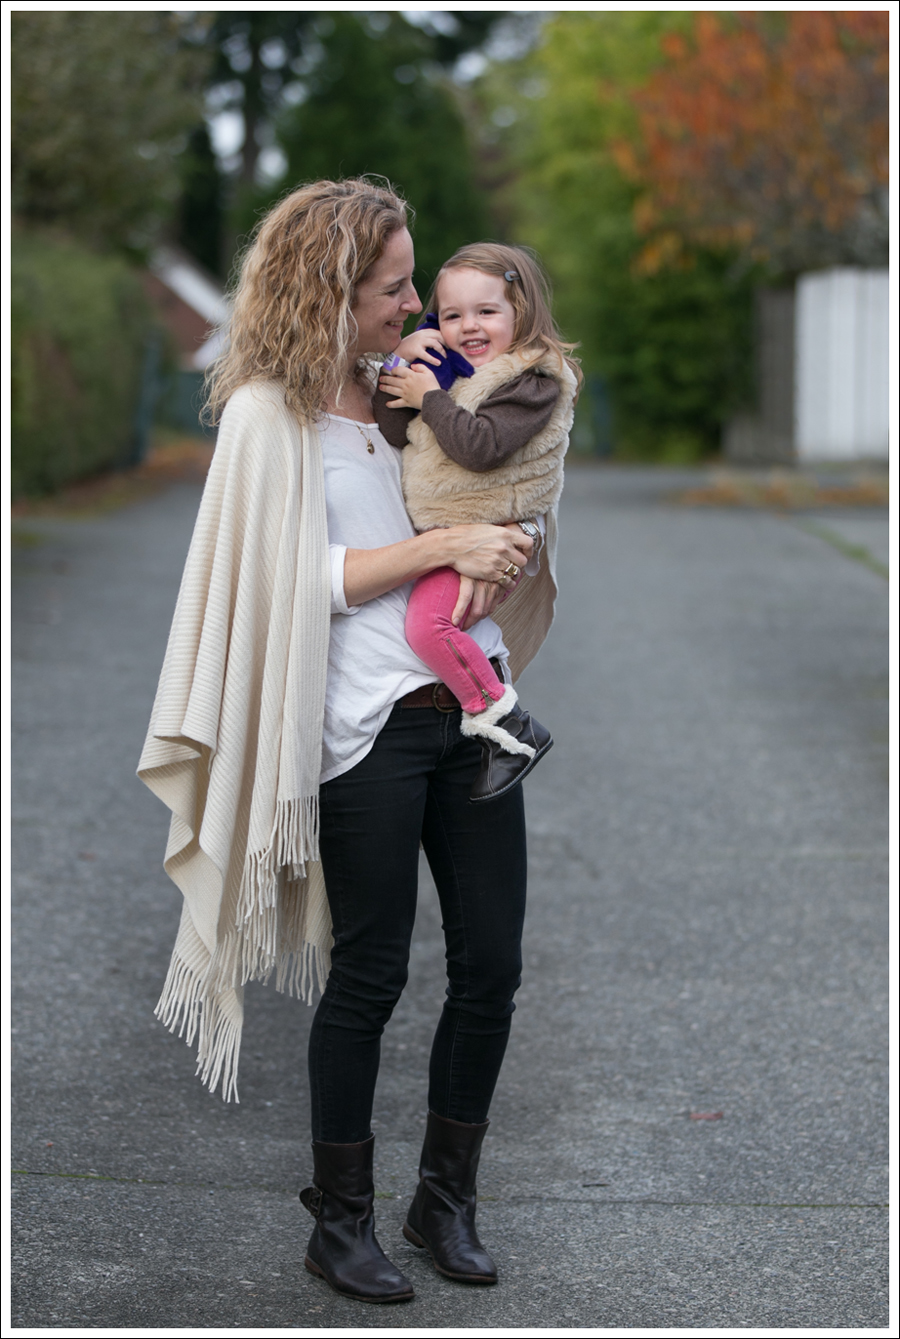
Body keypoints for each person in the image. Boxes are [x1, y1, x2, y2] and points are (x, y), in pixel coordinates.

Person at [137, 179, 569, 1306]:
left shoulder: (412, 390)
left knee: (492, 966)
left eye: (414, 282)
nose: (414, 303)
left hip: (470, 714)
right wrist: (443, 552)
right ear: (330, 290)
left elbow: (500, 470)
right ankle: (339, 1223)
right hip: (366, 729)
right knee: (370, 973)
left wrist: (506, 539)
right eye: (392, 286)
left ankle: (445, 1201)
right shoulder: (267, 416)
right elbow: (290, 578)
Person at [372, 243, 580, 800]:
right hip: (452, 537)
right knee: (431, 626)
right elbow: (393, 432)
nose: (469, 326)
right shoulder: (454, 376)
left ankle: (506, 724)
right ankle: (494, 727)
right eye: (451, 315)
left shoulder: (533, 380)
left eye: (486, 311)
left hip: (487, 536)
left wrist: (430, 398)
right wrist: (401, 364)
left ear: (521, 312)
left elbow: (480, 448)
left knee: (428, 628)